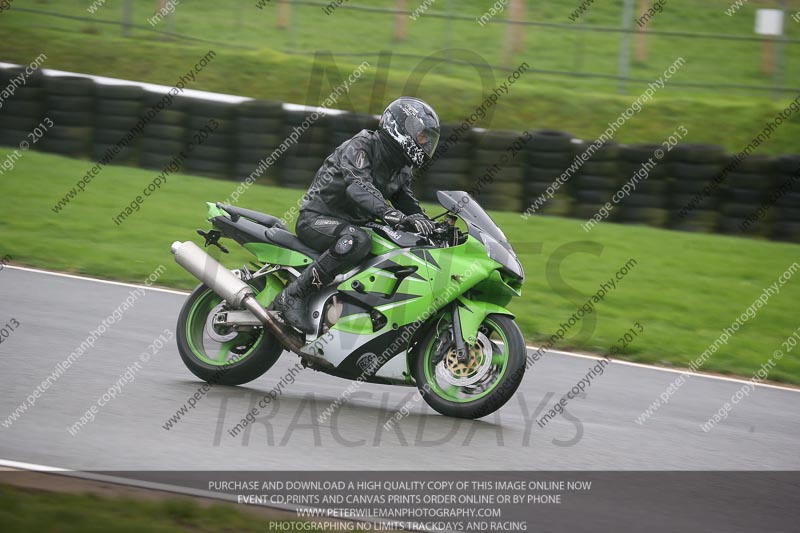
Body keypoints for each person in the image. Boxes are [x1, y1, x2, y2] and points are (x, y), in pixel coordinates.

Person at [271, 97, 441, 334]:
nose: (425, 143)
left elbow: (405, 200)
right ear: (401, 126)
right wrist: (393, 215)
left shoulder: (401, 167)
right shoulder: (362, 145)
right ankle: (292, 296)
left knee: (395, 246)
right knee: (357, 240)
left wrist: (433, 226)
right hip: (316, 218)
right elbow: (359, 187)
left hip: (353, 224)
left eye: (428, 138)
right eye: (422, 136)